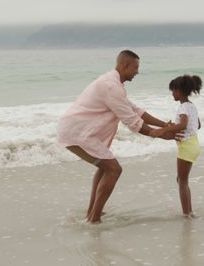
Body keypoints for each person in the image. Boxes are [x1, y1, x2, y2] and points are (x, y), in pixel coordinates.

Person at [56, 50, 174, 223]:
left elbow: (135, 110)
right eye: (135, 67)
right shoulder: (111, 87)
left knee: (106, 168)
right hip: (77, 133)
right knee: (114, 169)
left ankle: (92, 212)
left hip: (77, 131)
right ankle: (94, 218)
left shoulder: (114, 83)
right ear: (124, 65)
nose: (137, 72)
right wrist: (158, 134)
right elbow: (132, 121)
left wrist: (163, 125)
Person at [150, 75, 202, 218]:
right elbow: (197, 125)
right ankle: (189, 211)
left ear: (179, 91)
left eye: (173, 91)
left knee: (182, 181)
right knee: (181, 180)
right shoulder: (192, 106)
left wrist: (164, 130)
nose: (172, 94)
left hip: (186, 147)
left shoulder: (183, 107)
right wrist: (178, 128)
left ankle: (187, 213)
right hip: (193, 144)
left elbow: (184, 124)